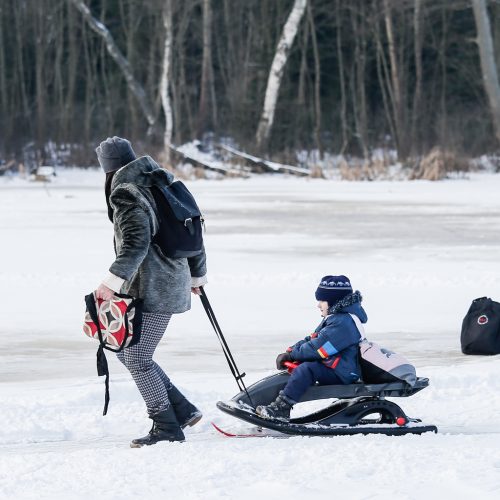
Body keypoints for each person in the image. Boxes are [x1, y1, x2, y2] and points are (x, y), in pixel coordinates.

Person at [94, 136, 208, 447]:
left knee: (137, 356)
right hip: (169, 282)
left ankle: (167, 426)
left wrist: (111, 282)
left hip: (155, 287)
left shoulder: (126, 193)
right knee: (126, 351)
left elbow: (135, 244)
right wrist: (196, 275)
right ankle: (181, 410)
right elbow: (195, 231)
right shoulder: (164, 181)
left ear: (108, 169)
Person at [256, 275, 366, 421]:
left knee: (307, 369)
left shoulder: (344, 323)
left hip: (343, 372)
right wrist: (290, 352)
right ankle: (270, 403)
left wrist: (294, 356)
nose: (318, 305)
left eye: (322, 301)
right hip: (337, 367)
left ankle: (282, 408)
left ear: (333, 301)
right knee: (302, 367)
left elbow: (318, 349)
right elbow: (313, 338)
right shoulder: (337, 318)